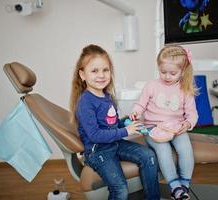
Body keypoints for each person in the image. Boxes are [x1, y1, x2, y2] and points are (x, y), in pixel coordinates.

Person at [69, 44, 160, 200]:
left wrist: (127, 122)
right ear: (82, 75)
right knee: (120, 190)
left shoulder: (107, 96)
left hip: (114, 144)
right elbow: (95, 135)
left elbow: (113, 124)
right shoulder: (85, 102)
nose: (101, 75)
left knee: (149, 156)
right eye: (94, 71)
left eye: (105, 70)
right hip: (98, 151)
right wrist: (126, 131)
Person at [130, 44, 198, 200]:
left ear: (183, 71)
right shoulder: (152, 86)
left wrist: (187, 124)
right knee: (163, 150)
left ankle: (184, 185)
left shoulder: (185, 89)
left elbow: (192, 113)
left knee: (186, 150)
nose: (167, 76)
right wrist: (136, 112)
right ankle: (174, 187)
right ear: (158, 67)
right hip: (153, 128)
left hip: (176, 128)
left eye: (173, 73)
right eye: (163, 72)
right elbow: (140, 104)